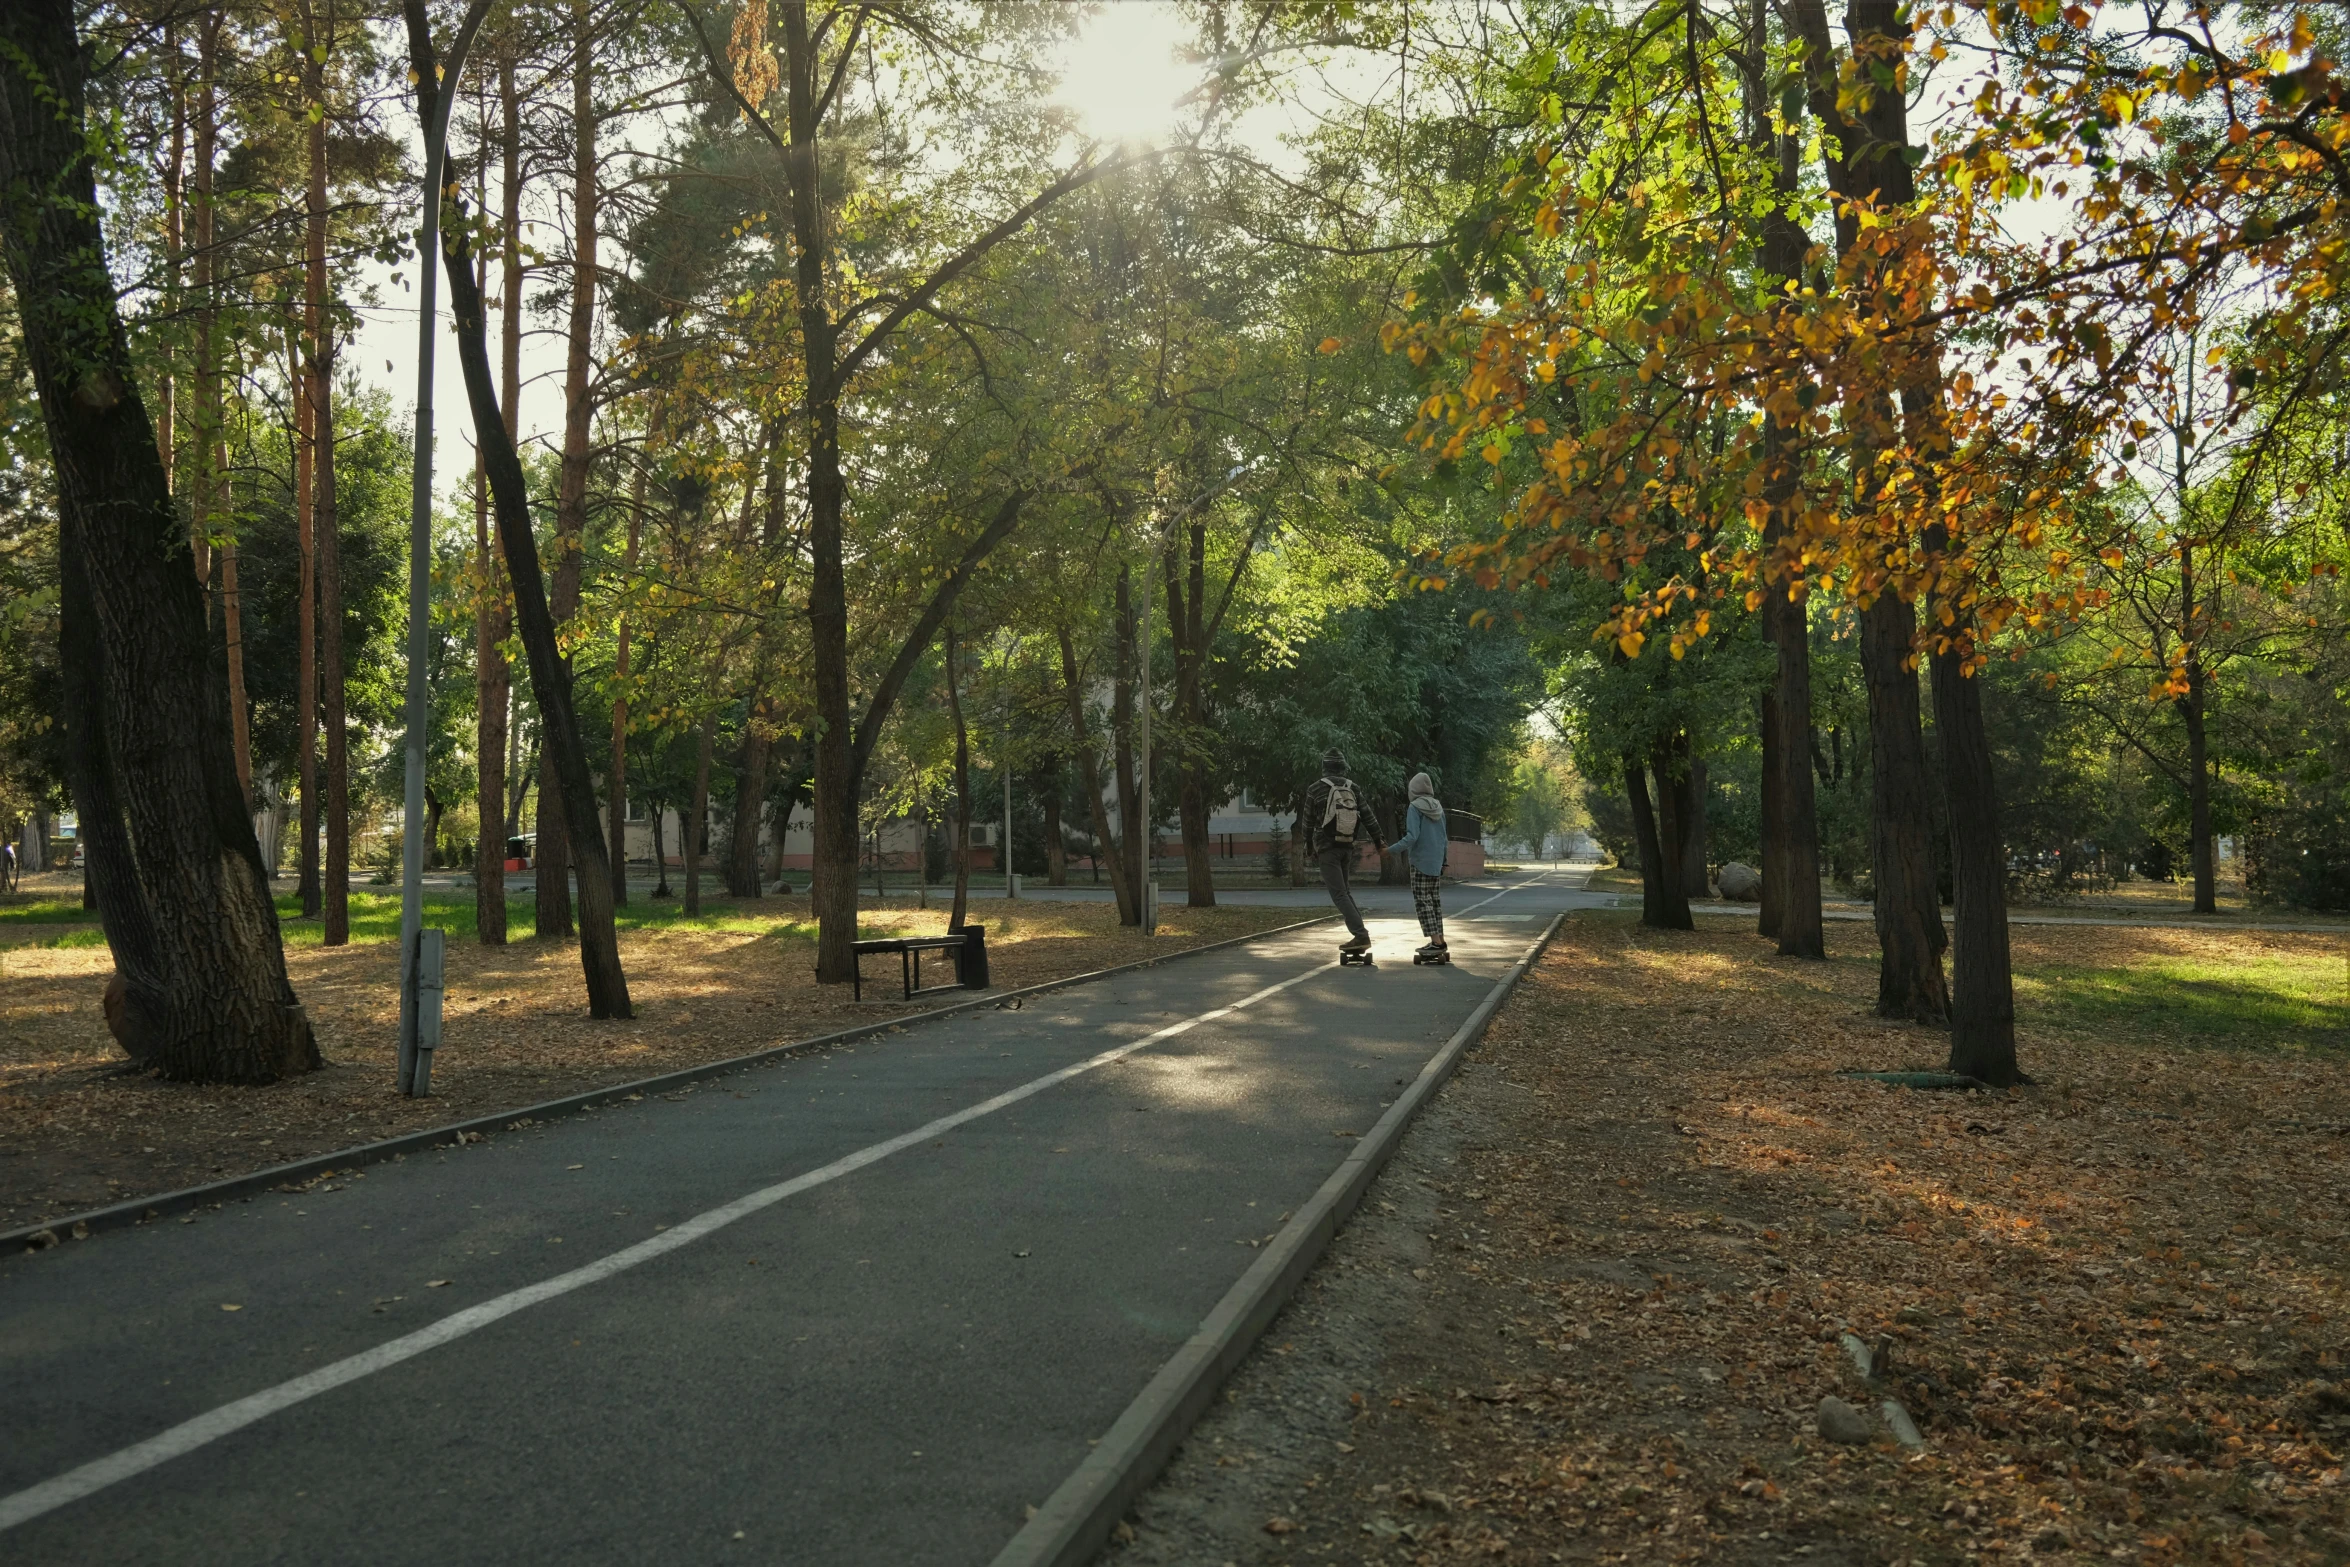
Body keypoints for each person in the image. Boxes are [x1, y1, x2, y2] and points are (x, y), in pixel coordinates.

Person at [1303, 749, 1383, 956]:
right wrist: (1379, 841)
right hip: (1347, 846)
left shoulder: (1315, 788)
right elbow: (1368, 816)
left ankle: (1361, 934)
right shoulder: (1353, 788)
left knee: (1339, 894)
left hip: (1327, 848)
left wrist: (1309, 846)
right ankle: (1359, 935)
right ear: (1343, 767)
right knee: (1345, 892)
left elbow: (1308, 821)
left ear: (1324, 767)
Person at [1389, 772, 1449, 961]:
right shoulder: (1438, 807)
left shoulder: (1414, 807)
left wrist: (1390, 850)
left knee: (1423, 902)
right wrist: (1444, 860)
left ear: (1413, 789)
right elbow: (1444, 838)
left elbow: (1412, 836)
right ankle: (1440, 939)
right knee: (1434, 902)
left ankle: (1435, 942)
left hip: (1420, 861)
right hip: (1436, 861)